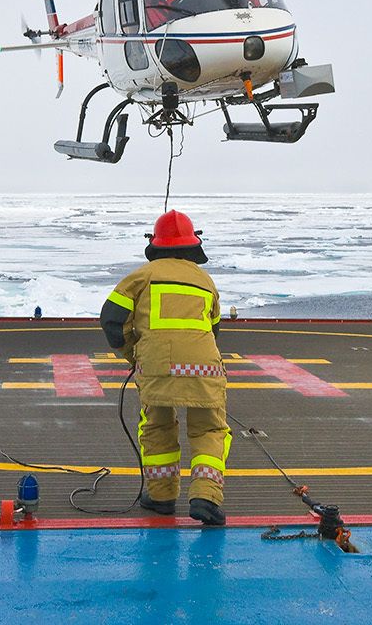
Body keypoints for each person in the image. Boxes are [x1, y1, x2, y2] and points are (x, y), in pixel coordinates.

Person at [99, 210, 230, 526]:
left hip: (156, 368)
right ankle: (206, 497)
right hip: (205, 369)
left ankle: (161, 496)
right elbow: (213, 331)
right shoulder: (205, 281)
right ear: (192, 244)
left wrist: (134, 354)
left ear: (155, 244)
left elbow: (111, 320)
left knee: (157, 426)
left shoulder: (141, 277)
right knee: (210, 429)